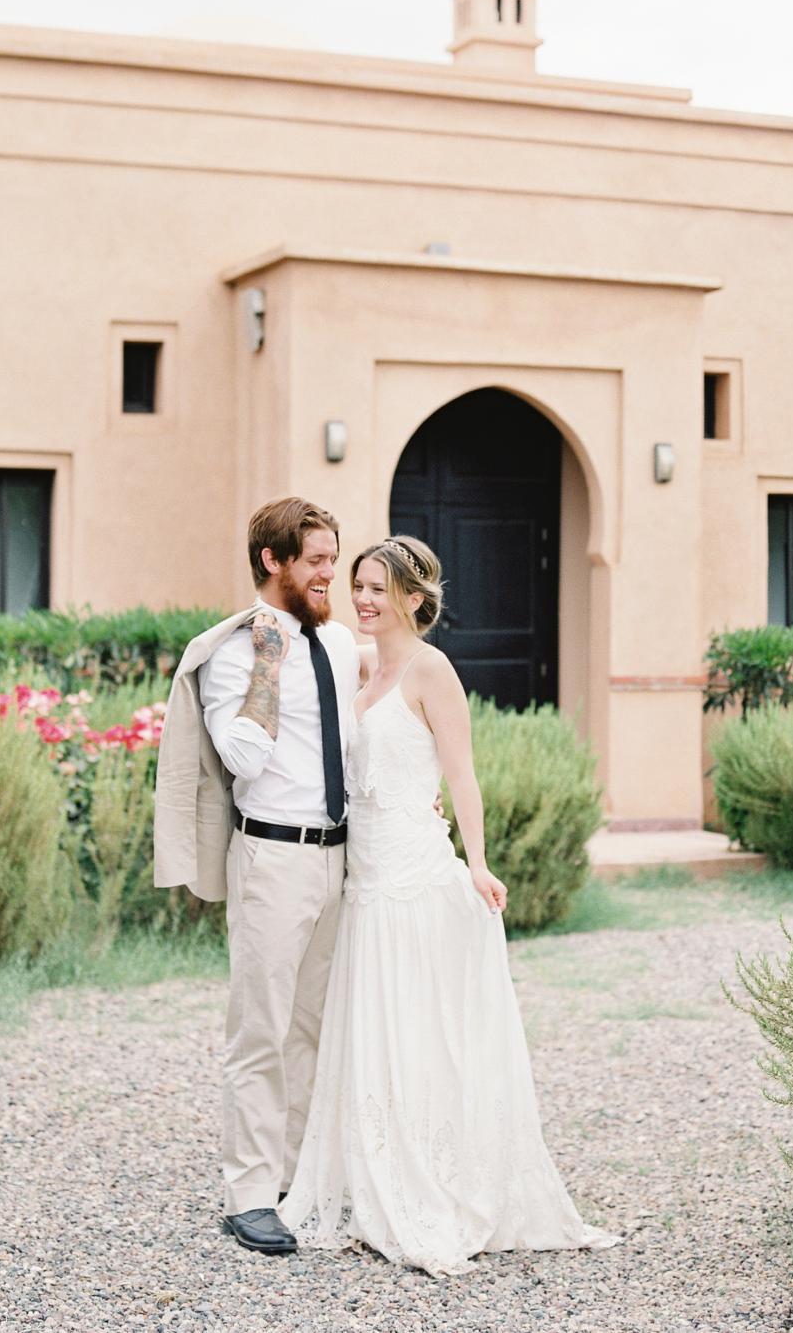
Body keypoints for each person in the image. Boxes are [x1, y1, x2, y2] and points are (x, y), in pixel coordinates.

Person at [279, 534, 620, 1276]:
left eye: (377, 588)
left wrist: (479, 860)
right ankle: (373, 1173)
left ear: (412, 596)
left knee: (421, 1030)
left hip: (415, 878)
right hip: (364, 882)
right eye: (359, 586)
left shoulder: (433, 671)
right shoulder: (364, 665)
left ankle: (433, 1179)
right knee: (374, 1028)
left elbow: (461, 775)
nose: (363, 599)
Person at [153, 497, 360, 1257]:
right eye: (315, 560)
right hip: (273, 858)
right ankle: (247, 1195)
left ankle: (294, 1176)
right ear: (273, 561)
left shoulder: (338, 643)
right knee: (261, 1029)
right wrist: (270, 663)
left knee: (313, 1024)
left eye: (333, 559)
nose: (329, 574)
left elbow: (358, 733)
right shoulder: (235, 653)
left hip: (341, 857)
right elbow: (242, 759)